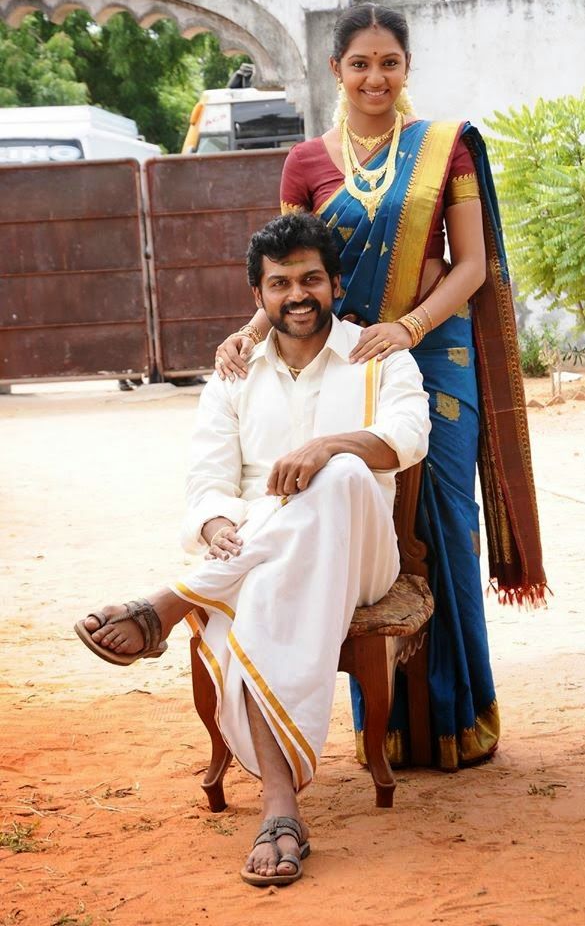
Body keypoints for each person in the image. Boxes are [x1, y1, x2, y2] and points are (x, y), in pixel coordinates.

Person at [213, 3, 548, 773]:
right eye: (359, 63)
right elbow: (296, 268)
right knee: (374, 525)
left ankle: (461, 718)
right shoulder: (305, 163)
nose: (375, 77)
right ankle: (388, 727)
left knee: (444, 527)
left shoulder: (445, 150)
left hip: (433, 353)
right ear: (337, 70)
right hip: (354, 359)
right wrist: (252, 331)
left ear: (406, 67)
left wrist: (413, 325)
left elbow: (470, 264)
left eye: (389, 63)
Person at [74, 212, 430, 886]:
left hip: (362, 557)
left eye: (311, 280)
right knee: (266, 584)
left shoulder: (377, 354)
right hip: (257, 556)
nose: (297, 295)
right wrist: (214, 528)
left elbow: (409, 438)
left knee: (346, 471)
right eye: (280, 284)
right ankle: (279, 810)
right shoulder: (233, 373)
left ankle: (176, 598)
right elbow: (207, 480)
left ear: (333, 284)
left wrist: (330, 444)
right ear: (259, 296)